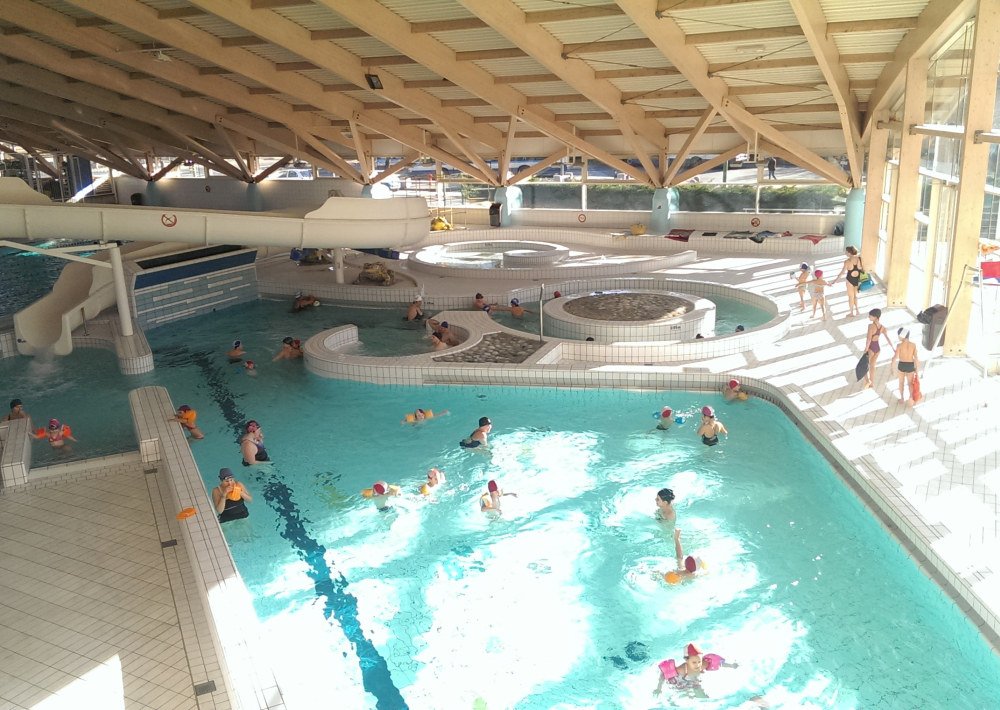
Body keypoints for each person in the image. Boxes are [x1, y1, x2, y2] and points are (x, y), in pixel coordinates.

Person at [653, 642, 740, 697]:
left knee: (704, 698)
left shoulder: (703, 664)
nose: (698, 665)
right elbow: (663, 675)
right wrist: (659, 688)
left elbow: (720, 664)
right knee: (682, 695)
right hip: (682, 680)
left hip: (694, 681)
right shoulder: (682, 669)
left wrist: (732, 665)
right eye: (694, 662)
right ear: (686, 660)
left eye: (699, 661)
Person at [862, 308, 894, 390]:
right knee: (872, 365)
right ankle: (872, 382)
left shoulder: (871, 326)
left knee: (863, 366)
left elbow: (869, 339)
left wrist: (866, 348)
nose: (869, 317)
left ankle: (867, 381)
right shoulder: (882, 327)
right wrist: (893, 348)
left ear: (875, 317)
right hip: (877, 348)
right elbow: (887, 338)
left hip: (871, 348)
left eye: (870, 316)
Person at [831, 246, 864, 318]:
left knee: (850, 297)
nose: (845, 253)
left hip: (850, 280)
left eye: (846, 252)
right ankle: (857, 309)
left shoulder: (847, 262)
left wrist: (835, 281)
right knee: (855, 296)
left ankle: (851, 312)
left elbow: (842, 273)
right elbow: (863, 269)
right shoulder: (860, 259)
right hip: (857, 279)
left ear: (849, 252)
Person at [891, 328, 920, 406]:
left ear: (902, 336)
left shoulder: (899, 345)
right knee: (910, 383)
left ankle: (902, 398)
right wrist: (917, 368)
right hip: (910, 365)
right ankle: (910, 397)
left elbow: (895, 357)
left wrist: (892, 367)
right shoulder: (913, 345)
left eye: (899, 335)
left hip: (902, 364)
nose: (898, 337)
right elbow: (916, 358)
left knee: (901, 382)